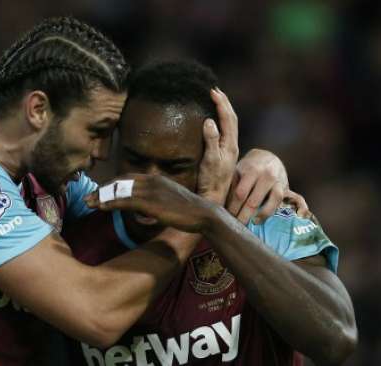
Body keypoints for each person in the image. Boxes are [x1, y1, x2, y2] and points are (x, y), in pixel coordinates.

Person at [0, 17, 294, 365]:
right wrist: (207, 208)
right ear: (38, 109)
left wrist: (257, 167)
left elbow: (151, 204)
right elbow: (97, 315)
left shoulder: (47, 184)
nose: (102, 152)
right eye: (96, 131)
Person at [63, 60, 357, 365]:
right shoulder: (74, 225)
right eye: (136, 160)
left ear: (212, 157)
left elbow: (337, 338)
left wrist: (212, 218)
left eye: (174, 167)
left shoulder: (260, 212)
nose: (151, 181)